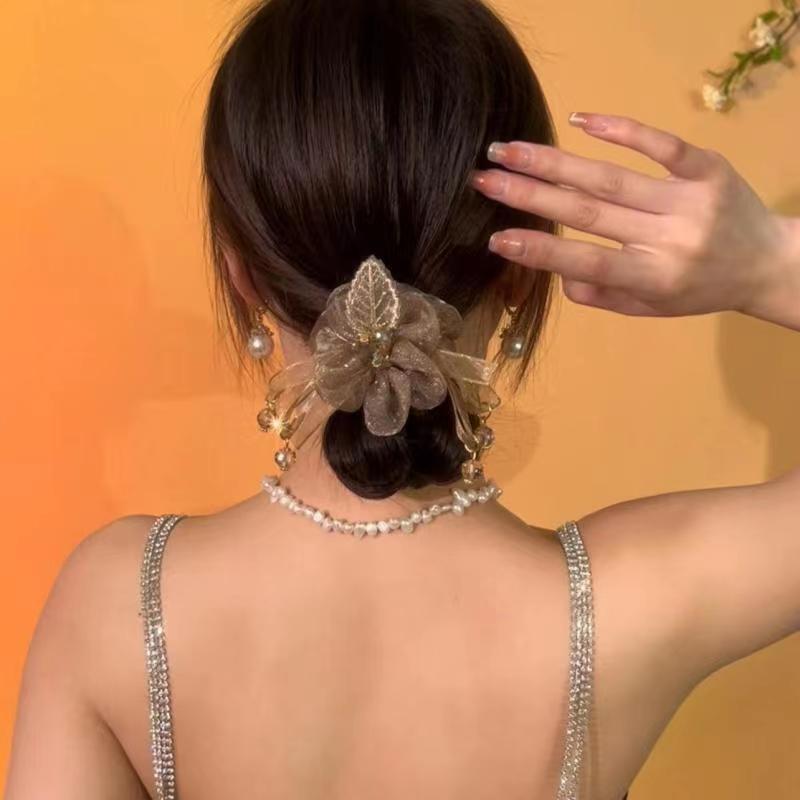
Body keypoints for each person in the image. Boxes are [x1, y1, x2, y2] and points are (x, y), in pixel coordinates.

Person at [4, 1, 799, 799]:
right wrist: (771, 262)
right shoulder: (629, 604)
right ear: (520, 274)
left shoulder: (119, 605)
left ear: (240, 273)